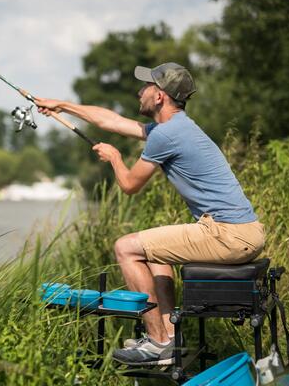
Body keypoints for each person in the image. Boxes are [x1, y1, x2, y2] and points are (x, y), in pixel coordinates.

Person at [35, 62, 265, 366]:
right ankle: (170, 336)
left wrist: (115, 158)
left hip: (227, 233)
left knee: (125, 247)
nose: (139, 91)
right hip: (241, 231)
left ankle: (157, 343)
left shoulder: (166, 135)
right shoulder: (175, 128)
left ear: (159, 97)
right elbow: (113, 121)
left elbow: (129, 185)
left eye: (146, 86)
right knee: (155, 253)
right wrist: (61, 106)